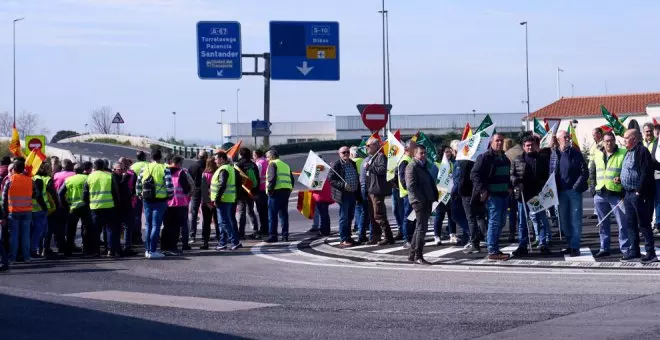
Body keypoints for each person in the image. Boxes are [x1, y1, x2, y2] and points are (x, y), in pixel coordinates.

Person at [588, 131, 629, 258]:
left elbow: (627, 170)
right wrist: (593, 189)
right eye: (606, 141)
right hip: (600, 193)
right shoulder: (597, 153)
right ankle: (604, 247)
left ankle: (625, 249)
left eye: (611, 140)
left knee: (622, 223)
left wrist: (621, 181)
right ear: (603, 142)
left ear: (614, 141)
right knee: (602, 224)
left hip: (616, 194)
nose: (608, 143)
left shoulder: (622, 153)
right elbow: (592, 171)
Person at [471, 134, 512, 261]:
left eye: (501, 140)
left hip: (504, 195)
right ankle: (492, 251)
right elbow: (474, 174)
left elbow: (506, 175)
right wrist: (482, 190)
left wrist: (509, 186)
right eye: (497, 141)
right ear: (491, 142)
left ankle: (494, 246)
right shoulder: (485, 157)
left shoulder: (504, 158)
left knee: (501, 222)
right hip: (492, 196)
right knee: (494, 222)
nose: (499, 143)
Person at [511, 135, 551, 255]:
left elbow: (547, 176)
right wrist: (516, 181)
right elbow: (511, 175)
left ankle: (543, 243)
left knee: (541, 221)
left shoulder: (543, 159)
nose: (530, 147)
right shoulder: (517, 159)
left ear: (535, 145)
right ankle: (522, 245)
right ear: (523, 147)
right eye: (527, 145)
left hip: (537, 195)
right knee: (523, 222)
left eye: (532, 145)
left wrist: (542, 185)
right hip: (522, 195)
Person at [550, 130, 588, 257]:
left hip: (574, 192)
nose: (567, 139)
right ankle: (570, 244)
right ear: (559, 139)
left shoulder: (576, 153)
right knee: (564, 221)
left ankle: (575, 247)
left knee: (575, 220)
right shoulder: (554, 154)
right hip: (560, 192)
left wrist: (576, 187)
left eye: (568, 137)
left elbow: (584, 172)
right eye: (564, 137)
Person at [620, 128, 657, 263]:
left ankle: (650, 253)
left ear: (634, 139)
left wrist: (639, 191)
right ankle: (634, 251)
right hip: (628, 193)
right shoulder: (628, 152)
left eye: (626, 137)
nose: (623, 140)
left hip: (638, 194)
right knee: (630, 223)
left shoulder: (642, 151)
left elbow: (646, 172)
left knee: (644, 223)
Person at [136, 149, 174, 259]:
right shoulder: (164, 168)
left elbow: (138, 183)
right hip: (160, 200)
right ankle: (153, 250)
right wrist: (170, 195)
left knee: (148, 225)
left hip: (147, 199)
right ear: (160, 157)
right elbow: (169, 184)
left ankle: (147, 250)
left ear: (151, 157)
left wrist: (139, 193)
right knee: (156, 226)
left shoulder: (145, 167)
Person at [406, 145, 439, 265]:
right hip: (419, 202)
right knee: (421, 229)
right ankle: (418, 256)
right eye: (421, 153)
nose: (424, 155)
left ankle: (412, 254)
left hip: (427, 200)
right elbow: (411, 186)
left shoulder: (422, 165)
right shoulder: (412, 166)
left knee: (419, 228)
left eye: (425, 153)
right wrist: (422, 199)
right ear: (415, 154)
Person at [84, 159, 121, 257]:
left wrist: (87, 205)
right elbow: (115, 192)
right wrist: (117, 204)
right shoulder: (110, 175)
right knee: (110, 229)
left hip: (94, 207)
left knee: (95, 230)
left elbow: (85, 194)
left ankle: (96, 251)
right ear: (104, 166)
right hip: (109, 206)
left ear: (94, 167)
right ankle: (110, 250)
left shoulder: (90, 177)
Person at [3, 160, 39, 263]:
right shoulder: (30, 180)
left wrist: (4, 212)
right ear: (23, 169)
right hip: (27, 211)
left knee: (13, 235)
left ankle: (13, 258)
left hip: (13, 211)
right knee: (25, 235)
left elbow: (4, 196)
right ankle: (26, 257)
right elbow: (36, 195)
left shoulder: (9, 180)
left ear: (13, 169)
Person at [329, 146, 362, 247]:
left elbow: (356, 177)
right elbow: (331, 179)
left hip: (353, 193)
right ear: (339, 154)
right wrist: (343, 185)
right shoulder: (337, 164)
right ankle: (343, 239)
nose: (346, 154)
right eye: (344, 153)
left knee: (350, 216)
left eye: (347, 152)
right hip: (343, 194)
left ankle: (348, 237)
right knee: (344, 217)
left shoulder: (352, 163)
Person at [58, 162, 92, 256]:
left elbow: (60, 193)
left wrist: (65, 205)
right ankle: (86, 249)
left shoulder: (68, 179)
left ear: (74, 170)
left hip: (72, 207)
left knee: (71, 229)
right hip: (85, 206)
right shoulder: (87, 178)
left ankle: (68, 250)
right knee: (85, 228)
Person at [365, 138, 394, 245]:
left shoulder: (381, 156)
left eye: (369, 145)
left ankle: (388, 237)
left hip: (377, 190)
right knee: (374, 215)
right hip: (371, 189)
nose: (367, 148)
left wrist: (370, 167)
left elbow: (382, 169)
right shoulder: (373, 157)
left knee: (379, 214)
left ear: (376, 146)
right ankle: (376, 236)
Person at [211, 151, 242, 250]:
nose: (215, 161)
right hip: (228, 198)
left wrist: (217, 198)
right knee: (222, 222)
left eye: (216, 159)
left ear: (221, 159)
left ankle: (235, 241)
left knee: (223, 222)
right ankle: (222, 242)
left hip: (223, 199)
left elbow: (222, 185)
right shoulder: (229, 168)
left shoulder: (223, 169)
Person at [163, 156, 193, 255]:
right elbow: (187, 188)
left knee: (167, 226)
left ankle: (165, 247)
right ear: (179, 163)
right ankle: (173, 248)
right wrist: (189, 193)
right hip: (179, 204)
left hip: (167, 203)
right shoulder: (181, 172)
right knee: (176, 227)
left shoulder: (165, 171)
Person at [265, 149, 294, 243]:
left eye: (267, 157)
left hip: (275, 192)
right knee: (283, 214)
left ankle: (273, 236)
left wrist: (269, 191)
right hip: (286, 192)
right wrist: (289, 190)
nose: (266, 159)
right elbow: (292, 179)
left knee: (272, 215)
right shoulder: (286, 165)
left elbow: (271, 178)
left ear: (272, 157)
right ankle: (285, 235)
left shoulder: (272, 164)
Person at [32, 163, 57, 258]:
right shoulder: (41, 179)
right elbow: (50, 195)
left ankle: (38, 249)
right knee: (43, 231)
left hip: (33, 208)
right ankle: (40, 250)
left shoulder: (33, 178)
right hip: (42, 208)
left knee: (39, 231)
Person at [236, 148, 260, 239]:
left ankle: (241, 233)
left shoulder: (238, 165)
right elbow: (257, 178)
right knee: (251, 211)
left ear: (241, 155)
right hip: (252, 191)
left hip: (242, 192)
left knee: (242, 213)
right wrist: (256, 192)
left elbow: (237, 180)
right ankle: (255, 231)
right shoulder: (253, 165)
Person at [396, 140, 416, 248]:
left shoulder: (410, 159)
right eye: (414, 148)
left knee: (412, 217)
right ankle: (407, 239)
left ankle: (411, 238)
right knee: (408, 217)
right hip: (408, 194)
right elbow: (403, 179)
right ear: (407, 149)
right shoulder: (405, 160)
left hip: (412, 193)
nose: (416, 150)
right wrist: (409, 190)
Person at [188, 150, 208, 242]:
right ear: (206, 157)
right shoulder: (209, 166)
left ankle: (192, 235)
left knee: (194, 213)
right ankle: (205, 236)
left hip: (195, 191)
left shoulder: (192, 166)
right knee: (206, 213)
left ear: (197, 156)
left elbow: (189, 180)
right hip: (206, 191)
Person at [130, 150, 148, 245]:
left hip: (136, 194)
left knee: (136, 216)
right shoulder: (148, 165)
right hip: (148, 193)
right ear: (144, 157)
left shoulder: (132, 167)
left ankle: (136, 236)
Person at [200, 158, 219, 249]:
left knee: (206, 223)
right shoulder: (218, 173)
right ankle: (220, 241)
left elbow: (203, 190)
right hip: (216, 201)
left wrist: (207, 203)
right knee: (218, 222)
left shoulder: (204, 174)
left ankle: (205, 242)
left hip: (206, 203)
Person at [253, 149, 269, 236]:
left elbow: (257, 177)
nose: (252, 157)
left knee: (261, 211)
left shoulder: (259, 163)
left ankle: (264, 228)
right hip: (267, 189)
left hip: (260, 189)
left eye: (253, 155)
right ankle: (267, 227)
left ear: (256, 155)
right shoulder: (266, 161)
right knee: (266, 210)